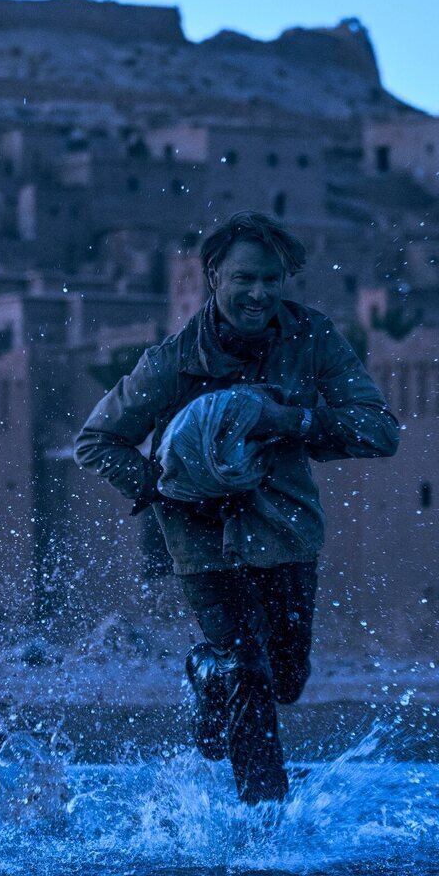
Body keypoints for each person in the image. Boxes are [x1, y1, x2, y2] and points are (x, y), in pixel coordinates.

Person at [74, 211, 401, 803]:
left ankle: (206, 670)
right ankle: (265, 827)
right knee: (250, 670)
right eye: (245, 278)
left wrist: (292, 420)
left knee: (286, 679)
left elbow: (380, 430)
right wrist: (163, 486)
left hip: (287, 532)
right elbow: (95, 442)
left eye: (272, 280)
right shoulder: (171, 363)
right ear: (214, 276)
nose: (260, 293)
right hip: (202, 544)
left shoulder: (313, 339)